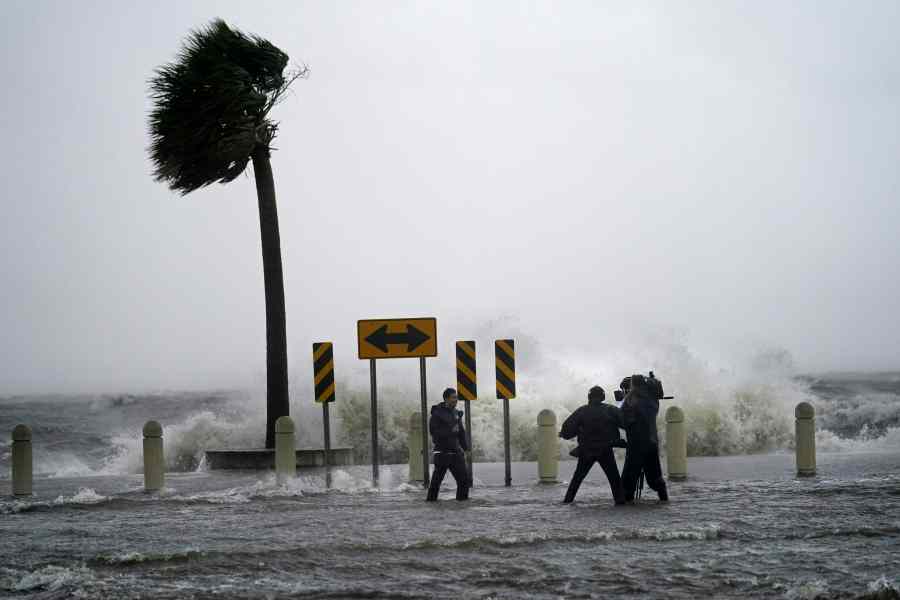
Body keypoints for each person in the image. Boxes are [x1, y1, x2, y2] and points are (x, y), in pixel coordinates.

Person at [559, 386, 627, 505]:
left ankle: (567, 501)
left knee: (577, 479)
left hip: (586, 450)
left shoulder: (582, 411)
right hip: (605, 450)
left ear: (589, 397)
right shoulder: (610, 409)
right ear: (603, 397)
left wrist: (563, 434)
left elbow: (567, 430)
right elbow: (626, 423)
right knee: (614, 479)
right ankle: (620, 502)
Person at [620, 374, 669, 502]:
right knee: (655, 476)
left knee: (629, 478)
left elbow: (624, 421)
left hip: (636, 444)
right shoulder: (653, 400)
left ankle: (627, 500)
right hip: (652, 442)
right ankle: (664, 498)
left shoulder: (630, 401)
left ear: (633, 386)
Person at [425, 388, 470, 501]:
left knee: (464, 481)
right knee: (435, 484)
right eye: (453, 397)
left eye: (456, 398)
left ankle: (461, 504)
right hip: (442, 454)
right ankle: (430, 505)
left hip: (456, 453)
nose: (456, 400)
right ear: (446, 398)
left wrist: (466, 449)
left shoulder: (455, 413)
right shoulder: (437, 414)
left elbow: (461, 433)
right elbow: (434, 433)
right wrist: (451, 430)